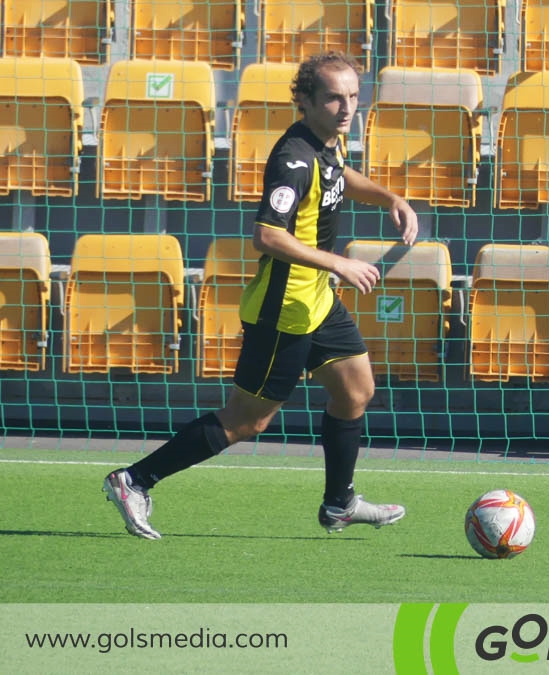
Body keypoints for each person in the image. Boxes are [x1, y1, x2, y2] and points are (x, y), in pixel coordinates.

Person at [102, 52, 419, 539]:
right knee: (249, 420)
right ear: (305, 101)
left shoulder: (327, 144)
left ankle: (340, 503)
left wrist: (390, 198)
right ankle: (134, 480)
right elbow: (267, 235)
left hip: (316, 300)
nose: (346, 106)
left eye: (354, 96)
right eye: (334, 97)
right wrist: (338, 262)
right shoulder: (294, 158)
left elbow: (338, 178)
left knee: (356, 390)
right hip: (283, 310)